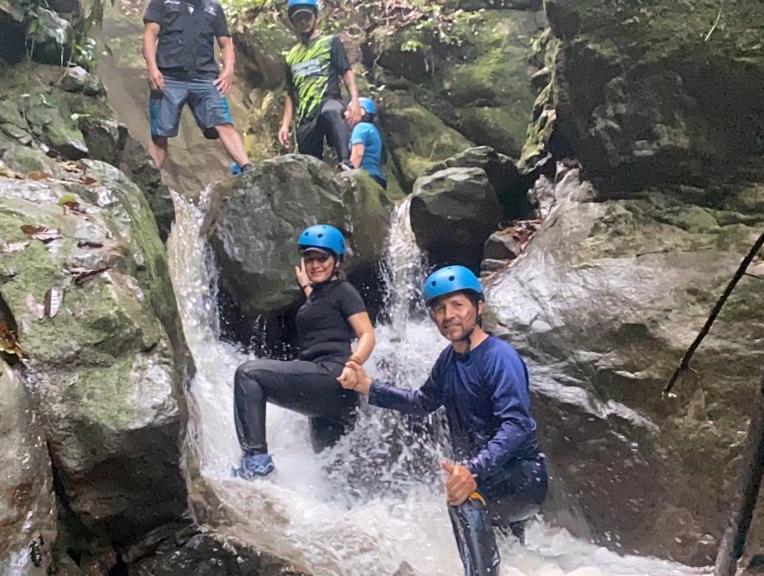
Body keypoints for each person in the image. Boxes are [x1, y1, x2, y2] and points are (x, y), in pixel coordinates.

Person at [339, 265, 547, 576]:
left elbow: (516, 425)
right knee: (509, 554)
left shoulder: (500, 357)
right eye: (439, 308)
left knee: (461, 498)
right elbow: (422, 402)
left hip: (523, 477)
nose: (448, 315)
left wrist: (471, 471)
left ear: (478, 307)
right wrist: (369, 387)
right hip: (490, 477)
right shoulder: (448, 361)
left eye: (457, 305)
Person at [233, 224, 376, 479]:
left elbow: (367, 333)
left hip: (331, 375)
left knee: (249, 374)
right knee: (333, 477)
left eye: (322, 258)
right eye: (309, 259)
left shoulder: (344, 291)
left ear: (336, 260)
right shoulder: (320, 296)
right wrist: (306, 287)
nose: (315, 265)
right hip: (330, 399)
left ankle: (256, 462)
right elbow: (321, 308)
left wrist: (354, 363)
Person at [142, 0, 254, 171]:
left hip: (205, 78)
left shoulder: (213, 8)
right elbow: (150, 34)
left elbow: (226, 43)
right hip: (169, 77)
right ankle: (148, 178)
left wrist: (228, 70)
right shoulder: (162, 2)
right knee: (159, 134)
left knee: (223, 123)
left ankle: (247, 168)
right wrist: (152, 68)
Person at [277, 0, 363, 164]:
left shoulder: (330, 43)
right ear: (293, 22)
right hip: (305, 116)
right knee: (309, 162)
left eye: (307, 17)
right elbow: (290, 93)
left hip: (328, 102)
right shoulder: (291, 56)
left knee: (331, 112)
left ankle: (346, 162)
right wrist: (285, 125)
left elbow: (347, 72)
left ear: (315, 17)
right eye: (299, 19)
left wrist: (355, 100)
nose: (303, 22)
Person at [348, 96, 386, 189]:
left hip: (365, 178)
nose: (345, 114)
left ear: (361, 111)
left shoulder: (361, 127)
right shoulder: (373, 129)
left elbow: (358, 154)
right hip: (377, 178)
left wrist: (348, 175)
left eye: (349, 110)